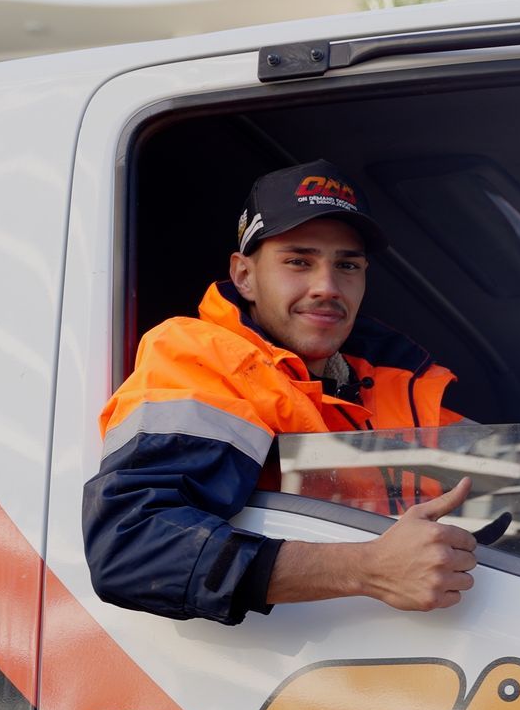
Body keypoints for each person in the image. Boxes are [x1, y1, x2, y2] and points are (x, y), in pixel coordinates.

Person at [83, 160, 477, 626]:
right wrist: (367, 569)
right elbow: (133, 545)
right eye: (298, 261)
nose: (327, 287)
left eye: (347, 265)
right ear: (244, 276)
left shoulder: (400, 385)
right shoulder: (204, 360)